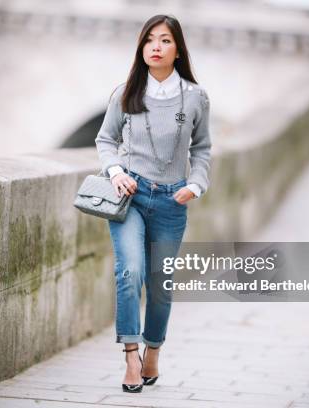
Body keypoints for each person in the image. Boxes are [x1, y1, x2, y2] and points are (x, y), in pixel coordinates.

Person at [94, 14, 212, 393]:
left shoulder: (195, 97)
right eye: (149, 40)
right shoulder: (125, 92)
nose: (155, 47)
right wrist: (115, 172)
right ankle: (131, 354)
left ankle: (154, 349)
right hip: (129, 197)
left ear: (178, 50)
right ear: (141, 47)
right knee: (129, 273)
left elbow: (203, 149)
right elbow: (105, 140)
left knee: (160, 285)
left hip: (171, 202)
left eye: (164, 41)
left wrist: (196, 184)